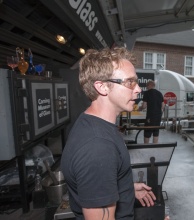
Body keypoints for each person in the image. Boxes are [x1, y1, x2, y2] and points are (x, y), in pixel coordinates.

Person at [61, 47, 162, 220]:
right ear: (102, 87)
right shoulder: (98, 147)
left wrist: (127, 189)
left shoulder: (95, 123)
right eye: (130, 82)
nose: (138, 89)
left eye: (136, 82)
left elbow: (101, 178)